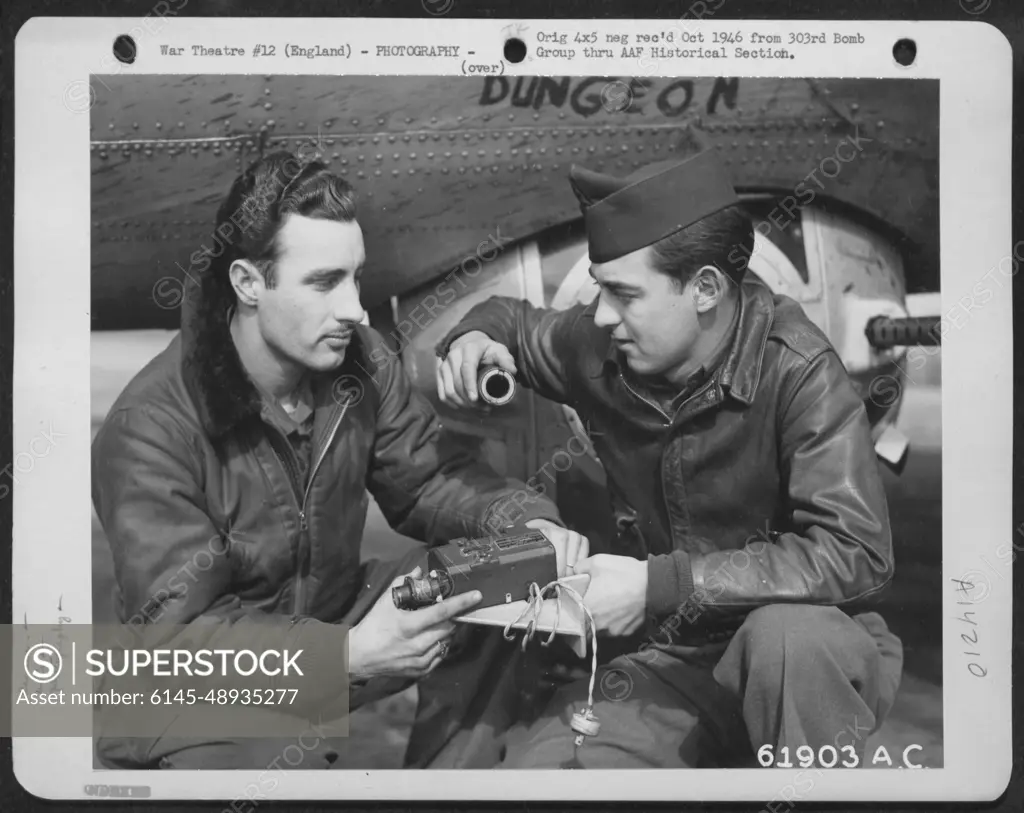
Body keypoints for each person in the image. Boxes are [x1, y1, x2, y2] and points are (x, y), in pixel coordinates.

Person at [90, 149, 588, 770]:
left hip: (335, 620)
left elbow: (428, 478)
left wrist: (524, 522)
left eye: (355, 277)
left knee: (497, 590)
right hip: (193, 685)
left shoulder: (361, 360)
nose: (354, 308)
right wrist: (347, 656)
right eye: (324, 283)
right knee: (273, 763)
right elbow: (180, 642)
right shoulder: (150, 430)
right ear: (248, 284)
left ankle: (445, 794)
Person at [435, 148, 904, 769]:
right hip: (678, 661)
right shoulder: (601, 345)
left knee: (785, 638)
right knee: (544, 778)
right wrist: (475, 335)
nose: (602, 315)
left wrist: (660, 584)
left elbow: (857, 554)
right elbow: (514, 323)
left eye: (625, 295)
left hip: (806, 657)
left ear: (706, 288)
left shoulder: (800, 372)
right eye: (600, 289)